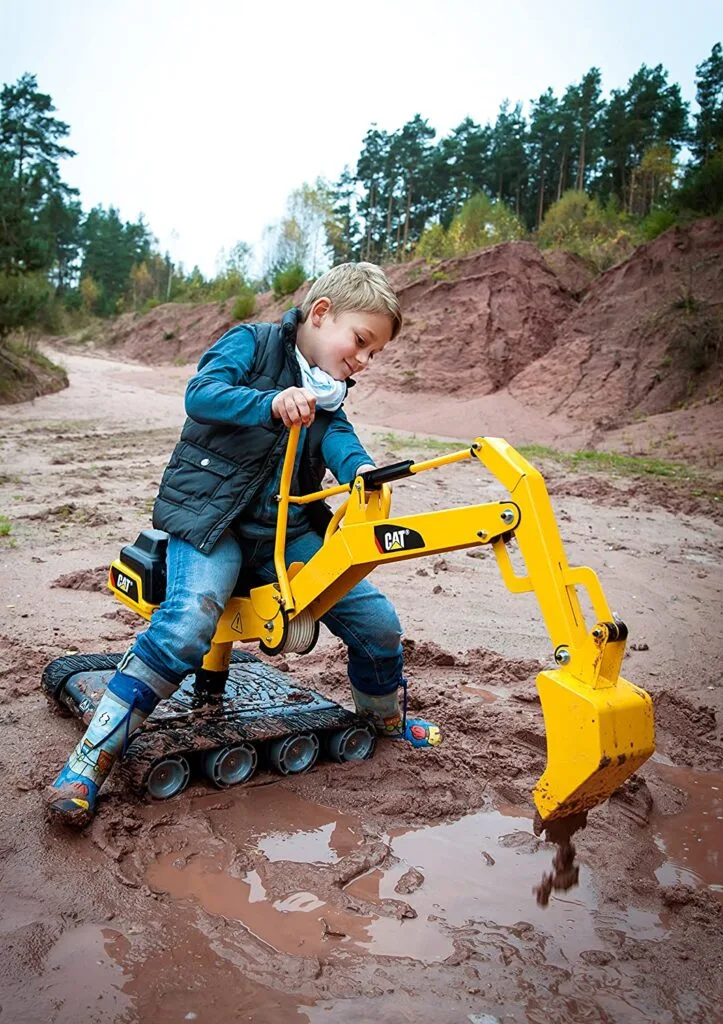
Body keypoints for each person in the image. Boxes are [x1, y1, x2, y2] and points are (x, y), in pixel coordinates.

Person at [45, 262, 441, 825]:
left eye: (374, 353)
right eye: (361, 341)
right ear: (321, 313)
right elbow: (201, 395)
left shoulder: (329, 397)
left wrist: (364, 473)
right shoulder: (250, 345)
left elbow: (341, 441)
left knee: (376, 621)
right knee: (188, 621)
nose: (364, 360)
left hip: (286, 535)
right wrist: (270, 402)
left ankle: (384, 721)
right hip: (211, 522)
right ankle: (87, 763)